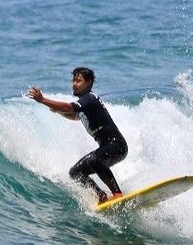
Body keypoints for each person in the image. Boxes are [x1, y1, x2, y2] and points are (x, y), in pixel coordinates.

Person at [27, 67, 127, 204]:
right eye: (73, 80)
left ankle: (117, 193)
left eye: (78, 81)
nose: (74, 84)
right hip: (106, 146)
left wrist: (43, 100)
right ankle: (101, 196)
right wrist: (58, 111)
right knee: (75, 172)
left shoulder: (90, 98)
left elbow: (68, 108)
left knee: (94, 160)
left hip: (117, 145)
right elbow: (75, 116)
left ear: (89, 83)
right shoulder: (85, 105)